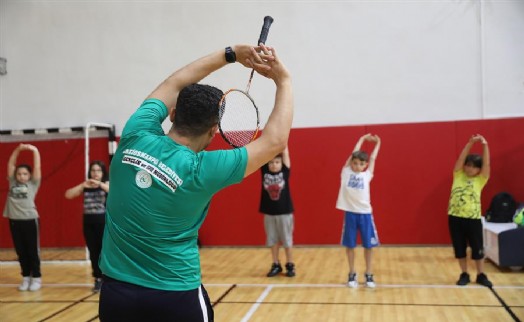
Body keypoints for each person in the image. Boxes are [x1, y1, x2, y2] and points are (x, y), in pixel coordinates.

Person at [98, 43, 293, 322]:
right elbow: (275, 141)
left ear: (174, 114)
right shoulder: (202, 170)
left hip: (116, 294)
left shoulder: (135, 133)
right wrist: (283, 79)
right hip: (176, 296)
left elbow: (174, 82)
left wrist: (231, 54)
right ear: (215, 130)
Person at [336, 133, 381, 288]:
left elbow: (373, 159)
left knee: (369, 246)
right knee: (350, 246)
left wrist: (378, 143)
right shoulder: (346, 172)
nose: (357, 166)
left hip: (365, 214)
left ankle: (369, 274)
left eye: (360, 164)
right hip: (350, 214)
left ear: (365, 165)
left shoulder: (367, 175)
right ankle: (352, 273)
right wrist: (361, 139)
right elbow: (353, 153)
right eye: (354, 163)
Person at [448, 134, 492, 287]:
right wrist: (470, 143)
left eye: (473, 166)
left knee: (477, 248)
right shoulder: (458, 175)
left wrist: (485, 145)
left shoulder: (481, 179)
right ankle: (464, 274)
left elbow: (487, 163)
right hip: (455, 217)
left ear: (478, 169)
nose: (469, 168)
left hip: (473, 219)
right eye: (468, 165)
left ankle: (481, 275)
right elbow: (460, 159)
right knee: (459, 247)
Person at [65, 160, 109, 292]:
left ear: (103, 173)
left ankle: (107, 278)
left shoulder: (106, 184)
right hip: (88, 222)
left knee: (103, 252)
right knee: (93, 252)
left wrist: (100, 184)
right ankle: (97, 279)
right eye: (93, 171)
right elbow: (68, 195)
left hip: (102, 222)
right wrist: (83, 185)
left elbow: (114, 191)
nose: (95, 173)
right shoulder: (85, 186)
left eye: (98, 171)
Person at [3, 143, 42, 291]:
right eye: (19, 174)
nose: (21, 176)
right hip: (14, 221)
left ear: (29, 175)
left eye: (25, 174)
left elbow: (37, 168)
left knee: (32, 251)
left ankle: (37, 278)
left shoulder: (33, 184)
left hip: (30, 221)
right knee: (21, 251)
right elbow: (11, 164)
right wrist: (18, 150)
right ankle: (26, 277)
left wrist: (35, 151)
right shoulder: (12, 182)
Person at [260, 146, 296, 277]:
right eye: (271, 162)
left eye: (277, 162)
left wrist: (282, 140)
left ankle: (290, 264)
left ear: (281, 163)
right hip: (269, 213)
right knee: (272, 240)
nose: (274, 165)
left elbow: (285, 152)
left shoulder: (285, 173)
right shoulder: (264, 171)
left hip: (284, 212)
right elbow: (263, 153)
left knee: (287, 240)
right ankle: (276, 264)